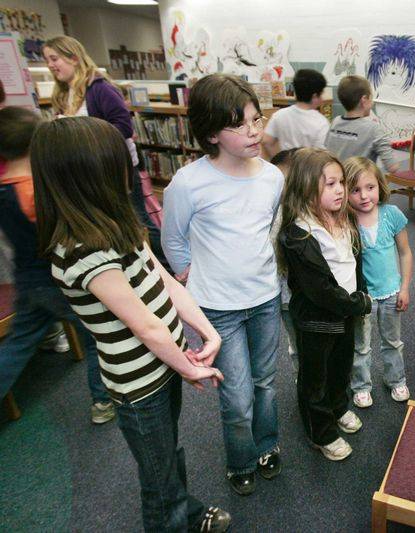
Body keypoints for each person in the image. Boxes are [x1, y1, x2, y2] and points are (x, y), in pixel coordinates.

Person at [31, 116, 229, 532]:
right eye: (117, 163)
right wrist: (188, 365)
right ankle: (175, 519)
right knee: (157, 479)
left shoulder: (118, 223)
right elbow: (147, 328)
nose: (129, 170)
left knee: (167, 455)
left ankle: (188, 512)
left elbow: (168, 284)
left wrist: (207, 332)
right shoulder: (80, 249)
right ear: (88, 175)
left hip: (165, 368)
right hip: (139, 387)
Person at [161, 74, 284, 496]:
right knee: (236, 398)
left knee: (266, 382)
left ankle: (267, 445)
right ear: (211, 132)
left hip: (266, 298)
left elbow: (264, 228)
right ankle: (240, 460)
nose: (254, 131)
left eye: (257, 118)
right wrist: (188, 276)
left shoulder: (271, 177)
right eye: (239, 124)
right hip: (219, 311)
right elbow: (172, 240)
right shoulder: (188, 183)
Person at [0, 107, 114, 424]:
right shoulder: (35, 192)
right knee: (95, 336)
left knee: (18, 344)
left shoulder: (4, 188)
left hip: (26, 280)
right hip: (57, 282)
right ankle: (103, 400)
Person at [42, 35, 168, 269]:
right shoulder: (63, 93)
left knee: (138, 215)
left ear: (74, 57)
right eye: (47, 60)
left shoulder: (100, 89)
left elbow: (124, 126)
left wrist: (84, 134)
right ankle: (132, 264)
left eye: (54, 58)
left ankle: (165, 265)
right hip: (87, 171)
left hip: (116, 167)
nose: (50, 65)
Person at [278, 148, 372, 461]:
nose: (340, 190)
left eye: (341, 182)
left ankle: (338, 407)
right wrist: (358, 305)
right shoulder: (299, 234)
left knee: (341, 367)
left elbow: (357, 265)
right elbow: (320, 289)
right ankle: (321, 431)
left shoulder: (346, 221)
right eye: (329, 184)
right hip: (317, 320)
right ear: (306, 188)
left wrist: (361, 295)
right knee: (314, 379)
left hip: (345, 314)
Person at [343, 157, 412, 407]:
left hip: (392, 292)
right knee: (361, 345)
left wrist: (404, 287)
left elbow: (405, 252)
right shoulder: (347, 221)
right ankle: (361, 385)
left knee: (392, 341)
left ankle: (396, 379)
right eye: (355, 190)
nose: (364, 196)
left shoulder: (391, 214)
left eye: (370, 187)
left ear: (379, 186)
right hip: (363, 298)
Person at [325, 76, 400, 173]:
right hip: (358, 185)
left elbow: (326, 152)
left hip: (335, 183)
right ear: (364, 99)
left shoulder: (335, 122)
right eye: (371, 98)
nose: (372, 103)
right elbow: (392, 167)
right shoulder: (373, 129)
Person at [269, 148, 299, 372]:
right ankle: (302, 379)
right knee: (296, 342)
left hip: (312, 297)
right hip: (286, 296)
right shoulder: (274, 213)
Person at [262, 69, 329, 157]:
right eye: (321, 94)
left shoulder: (279, 115)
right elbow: (322, 155)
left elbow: (266, 141)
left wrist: (278, 160)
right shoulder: (321, 122)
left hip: (285, 167)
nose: (322, 99)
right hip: (308, 168)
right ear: (315, 96)